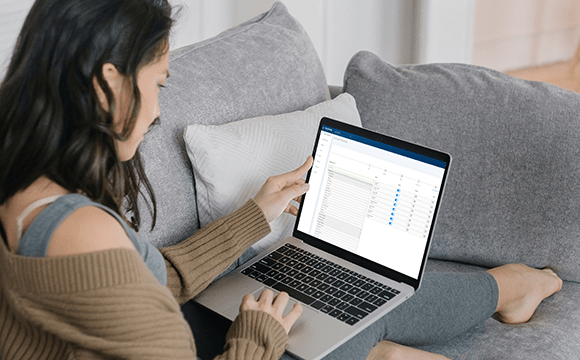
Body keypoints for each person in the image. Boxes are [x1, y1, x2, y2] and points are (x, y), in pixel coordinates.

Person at [0, 0, 562, 359]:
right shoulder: (84, 233)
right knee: (335, 312)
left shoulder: (23, 196)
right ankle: (508, 290)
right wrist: (255, 337)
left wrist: (253, 218)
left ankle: (389, 346)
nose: (157, 113)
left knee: (324, 306)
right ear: (109, 83)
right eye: (160, 84)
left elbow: (139, 286)